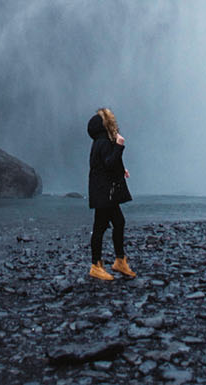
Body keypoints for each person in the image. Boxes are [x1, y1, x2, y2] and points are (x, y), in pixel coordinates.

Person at [86, 107, 134, 280]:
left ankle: (119, 261)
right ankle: (96, 266)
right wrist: (120, 147)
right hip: (105, 193)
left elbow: (105, 163)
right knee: (100, 227)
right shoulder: (105, 142)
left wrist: (122, 170)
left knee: (117, 223)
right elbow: (108, 163)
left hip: (104, 192)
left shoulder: (99, 142)